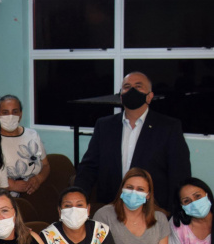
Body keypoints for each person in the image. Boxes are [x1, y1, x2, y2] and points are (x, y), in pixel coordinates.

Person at [75, 72, 191, 213]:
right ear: (121, 96)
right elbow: (88, 167)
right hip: (111, 208)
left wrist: (173, 212)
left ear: (149, 96)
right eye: (127, 87)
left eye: (138, 86)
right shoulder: (104, 125)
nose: (132, 91)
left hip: (152, 210)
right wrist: (77, 198)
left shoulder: (168, 127)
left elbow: (179, 173)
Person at [0, 95, 50, 197]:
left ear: (21, 114)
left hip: (35, 192)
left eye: (15, 112)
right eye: (5, 112)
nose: (10, 116)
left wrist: (38, 179)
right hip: (5, 196)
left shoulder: (32, 135)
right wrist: (12, 185)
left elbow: (46, 165)